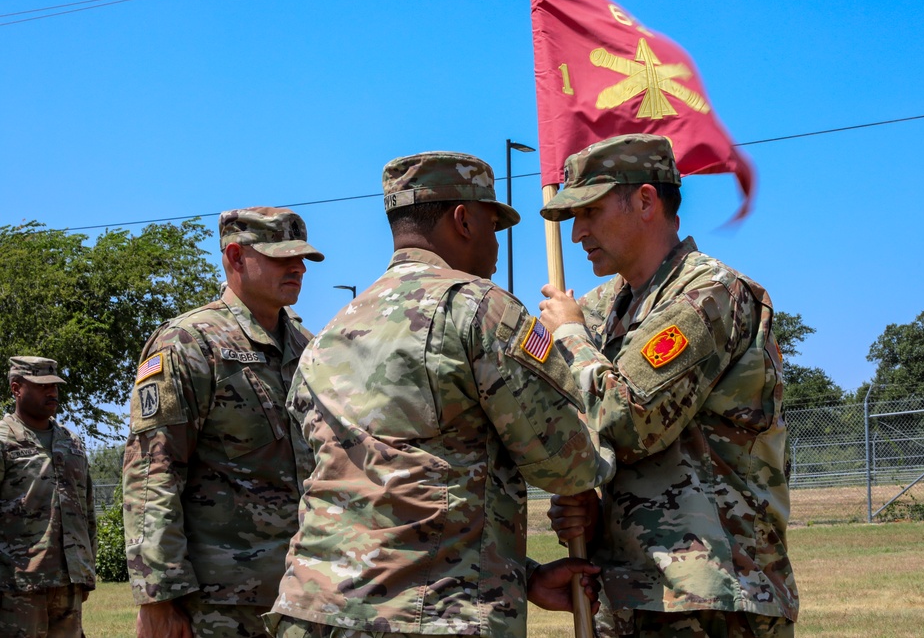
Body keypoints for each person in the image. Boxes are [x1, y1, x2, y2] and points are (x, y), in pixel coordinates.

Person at [264, 151, 614, 638]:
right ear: (463, 220)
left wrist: (525, 574)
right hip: (429, 617)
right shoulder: (478, 308)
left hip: (314, 611)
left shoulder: (328, 335)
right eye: (494, 225)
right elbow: (567, 464)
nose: (497, 244)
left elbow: (361, 492)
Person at [538, 134, 798, 637]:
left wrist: (568, 335)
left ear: (645, 201)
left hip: (713, 595)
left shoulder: (710, 294)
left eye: (589, 211)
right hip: (632, 589)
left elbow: (629, 420)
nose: (576, 234)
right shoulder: (606, 306)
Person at [122, 207, 325, 638]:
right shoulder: (189, 343)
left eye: (301, 257)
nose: (298, 267)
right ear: (235, 257)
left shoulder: (311, 347)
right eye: (280, 256)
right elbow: (152, 472)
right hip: (219, 604)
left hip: (306, 592)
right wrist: (158, 596)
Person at [1, 356, 96, 638]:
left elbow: (87, 510)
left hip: (68, 582)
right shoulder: (5, 440)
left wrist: (86, 570)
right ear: (16, 388)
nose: (52, 392)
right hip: (15, 585)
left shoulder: (71, 442)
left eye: (54, 385)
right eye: (42, 386)